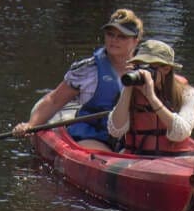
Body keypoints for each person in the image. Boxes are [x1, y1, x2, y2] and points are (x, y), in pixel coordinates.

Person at [11, 8, 143, 149]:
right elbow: (54, 100)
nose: (114, 40)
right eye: (110, 34)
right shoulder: (87, 70)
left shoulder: (147, 71)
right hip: (94, 135)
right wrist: (31, 125)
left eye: (122, 36)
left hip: (132, 138)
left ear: (136, 41)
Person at [107, 39, 194, 155]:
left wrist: (151, 98)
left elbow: (181, 132)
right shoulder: (131, 92)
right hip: (136, 156)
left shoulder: (188, 93)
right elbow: (115, 130)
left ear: (166, 69)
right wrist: (128, 88)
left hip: (174, 159)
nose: (143, 72)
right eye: (139, 66)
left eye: (149, 67)